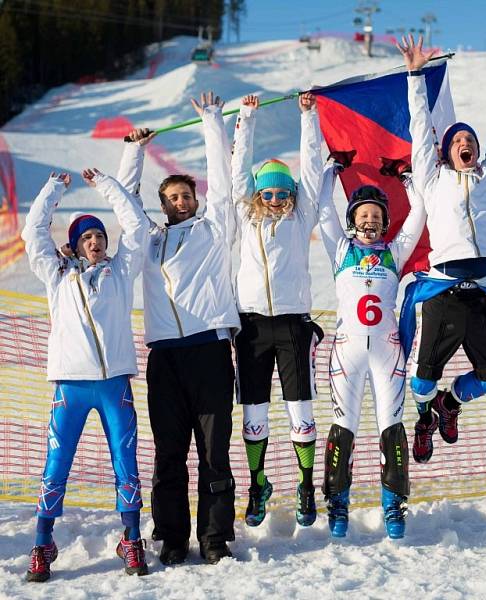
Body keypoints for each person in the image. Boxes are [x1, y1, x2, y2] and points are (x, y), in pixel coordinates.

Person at [117, 91, 240, 564]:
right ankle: (171, 538)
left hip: (209, 350)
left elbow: (225, 188)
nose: (181, 201)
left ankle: (213, 537)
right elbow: (127, 206)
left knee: (213, 450)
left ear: (195, 198)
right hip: (165, 356)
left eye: (187, 194)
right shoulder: (149, 241)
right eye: (172, 197)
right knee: (169, 452)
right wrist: (134, 150)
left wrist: (213, 120)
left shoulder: (213, 230)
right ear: (163, 204)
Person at [396, 34, 486, 463]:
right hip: (443, 292)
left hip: (482, 292)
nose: (465, 143)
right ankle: (424, 416)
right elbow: (419, 133)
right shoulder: (433, 181)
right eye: (457, 141)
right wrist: (415, 77)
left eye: (469, 139)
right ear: (446, 153)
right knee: (419, 384)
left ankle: (447, 406)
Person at [21, 168, 150, 581]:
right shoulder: (57, 276)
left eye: (99, 237)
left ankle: (131, 540)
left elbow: (137, 227)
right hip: (70, 387)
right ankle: (42, 543)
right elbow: (32, 231)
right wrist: (53, 188)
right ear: (75, 246)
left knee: (125, 464)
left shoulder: (121, 273)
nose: (95, 243)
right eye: (87, 239)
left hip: (114, 386)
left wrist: (108, 187)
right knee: (56, 464)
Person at [316, 156, 426, 540]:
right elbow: (322, 208)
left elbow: (420, 214)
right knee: (343, 428)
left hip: (387, 352)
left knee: (391, 429)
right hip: (347, 352)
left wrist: (409, 180)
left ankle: (394, 504)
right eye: (363, 215)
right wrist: (332, 173)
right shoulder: (340, 249)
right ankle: (337, 503)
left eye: (376, 216)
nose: (370, 221)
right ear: (352, 220)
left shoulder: (394, 252)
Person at [229, 92, 324, 529]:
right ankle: (258, 482)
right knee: (253, 414)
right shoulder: (245, 218)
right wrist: (246, 118)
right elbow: (236, 177)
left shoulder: (300, 217)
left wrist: (309, 118)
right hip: (250, 325)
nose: (273, 198)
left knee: (300, 411)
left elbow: (311, 170)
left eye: (280, 192)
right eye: (265, 192)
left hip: (292, 325)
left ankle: (306, 483)